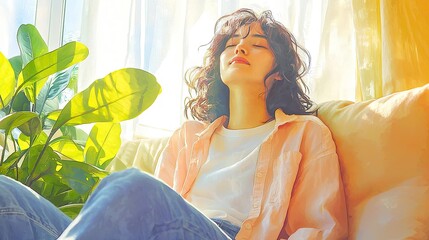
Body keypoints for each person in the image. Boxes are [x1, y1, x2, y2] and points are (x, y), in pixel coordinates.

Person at [0, 8, 348, 239]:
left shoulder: (304, 133)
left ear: (279, 73)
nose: (240, 47)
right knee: (6, 193)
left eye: (257, 44)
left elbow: (319, 230)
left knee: (134, 187)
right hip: (164, 229)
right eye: (232, 43)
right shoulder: (188, 137)